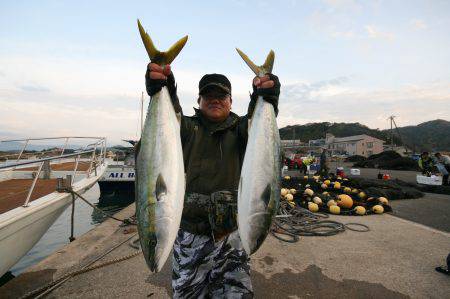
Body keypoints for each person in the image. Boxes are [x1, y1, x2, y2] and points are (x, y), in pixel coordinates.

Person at [143, 62, 280, 298]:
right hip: (190, 233)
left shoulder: (241, 131)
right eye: (208, 95)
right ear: (199, 100)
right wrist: (164, 87)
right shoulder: (186, 129)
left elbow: (260, 134)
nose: (215, 100)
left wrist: (265, 98)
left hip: (232, 235)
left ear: (231, 101)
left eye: (221, 95)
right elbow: (169, 120)